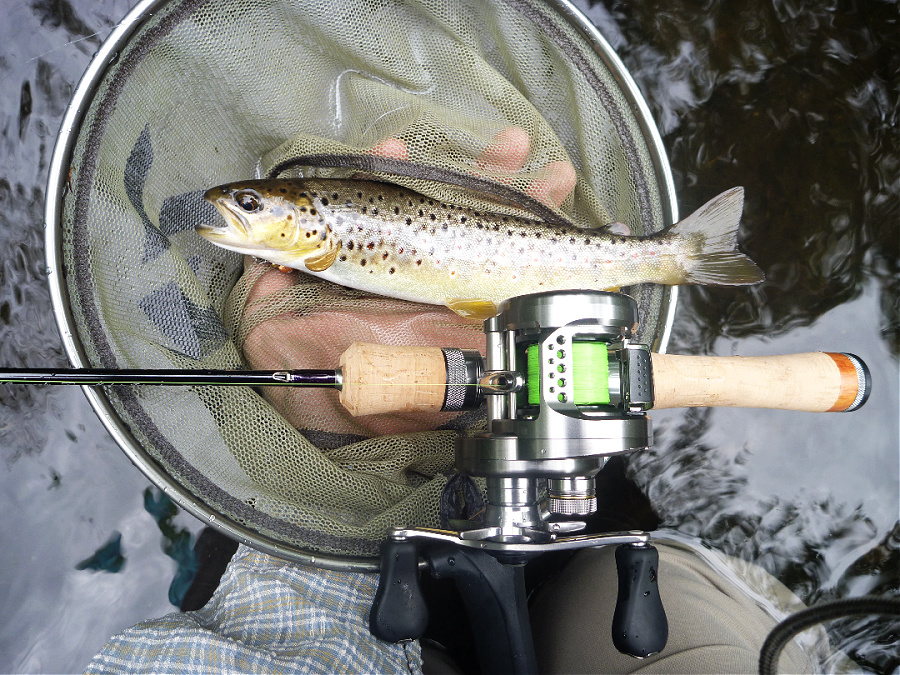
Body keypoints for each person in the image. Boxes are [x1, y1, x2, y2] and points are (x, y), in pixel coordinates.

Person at [85, 130, 824, 674]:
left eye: (250, 205)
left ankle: (673, 255)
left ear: (301, 217)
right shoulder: (312, 239)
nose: (233, 212)